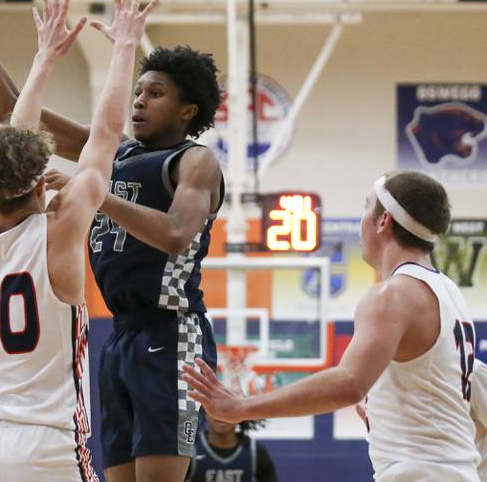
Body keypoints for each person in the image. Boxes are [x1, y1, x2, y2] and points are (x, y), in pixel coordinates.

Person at [0, 0, 223, 482]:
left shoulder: (195, 161)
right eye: (137, 91)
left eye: (155, 93)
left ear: (188, 110)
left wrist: (99, 197)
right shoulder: (118, 156)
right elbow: (16, 119)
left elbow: (175, 235)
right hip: (119, 335)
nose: (139, 101)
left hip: (172, 329)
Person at [184, 170, 480, 482]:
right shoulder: (447, 291)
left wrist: (242, 407)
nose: (362, 218)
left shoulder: (392, 294)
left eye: (366, 207)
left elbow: (348, 384)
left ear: (384, 221)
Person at [186, 417, 277, 482]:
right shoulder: (190, 449)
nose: (220, 414)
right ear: (205, 413)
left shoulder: (254, 451)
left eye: (227, 408)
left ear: (239, 414)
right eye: (214, 408)